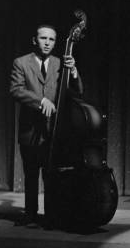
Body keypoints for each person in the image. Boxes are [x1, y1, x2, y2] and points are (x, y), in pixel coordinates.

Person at [10, 24, 83, 227]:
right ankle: (31, 215)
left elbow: (76, 92)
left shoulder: (61, 63)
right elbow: (15, 90)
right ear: (35, 40)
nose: (47, 43)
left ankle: (52, 215)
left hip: (55, 130)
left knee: (52, 176)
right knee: (31, 174)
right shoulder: (21, 62)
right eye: (43, 38)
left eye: (51, 40)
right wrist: (40, 101)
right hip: (30, 130)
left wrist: (74, 72)